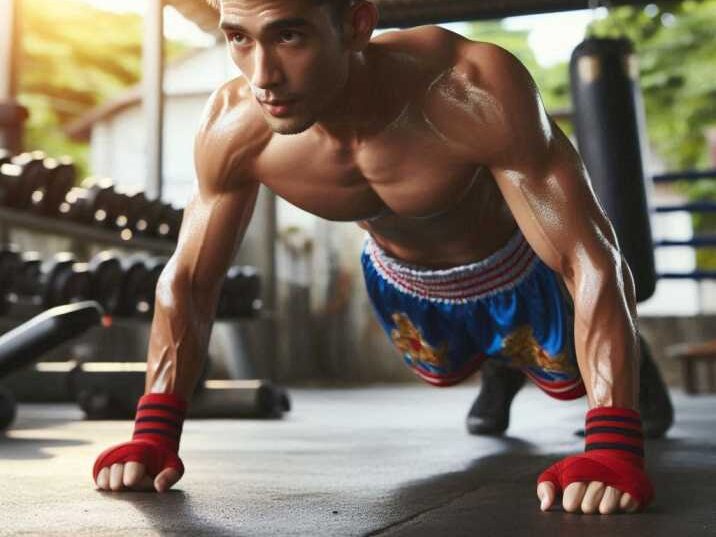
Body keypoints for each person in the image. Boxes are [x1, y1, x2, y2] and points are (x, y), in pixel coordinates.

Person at [93, 0, 658, 515]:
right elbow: (190, 280)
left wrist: (612, 445)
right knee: (450, 366)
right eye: (239, 39)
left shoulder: (470, 87)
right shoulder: (237, 126)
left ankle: (635, 365)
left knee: (571, 373)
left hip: (520, 273)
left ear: (358, 24)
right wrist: (155, 433)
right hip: (404, 285)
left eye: (289, 37)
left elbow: (588, 259)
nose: (262, 75)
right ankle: (499, 367)